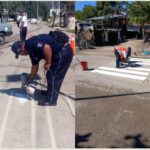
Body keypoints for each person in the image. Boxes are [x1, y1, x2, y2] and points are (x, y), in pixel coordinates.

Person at [11, 32, 73, 106]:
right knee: (50, 75)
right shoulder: (30, 51)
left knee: (54, 77)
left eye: (20, 54)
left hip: (63, 52)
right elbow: (35, 66)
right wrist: (31, 79)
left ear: (21, 49)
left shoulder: (31, 44)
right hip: (60, 52)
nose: (22, 55)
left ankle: (51, 100)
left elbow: (46, 48)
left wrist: (48, 63)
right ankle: (50, 92)